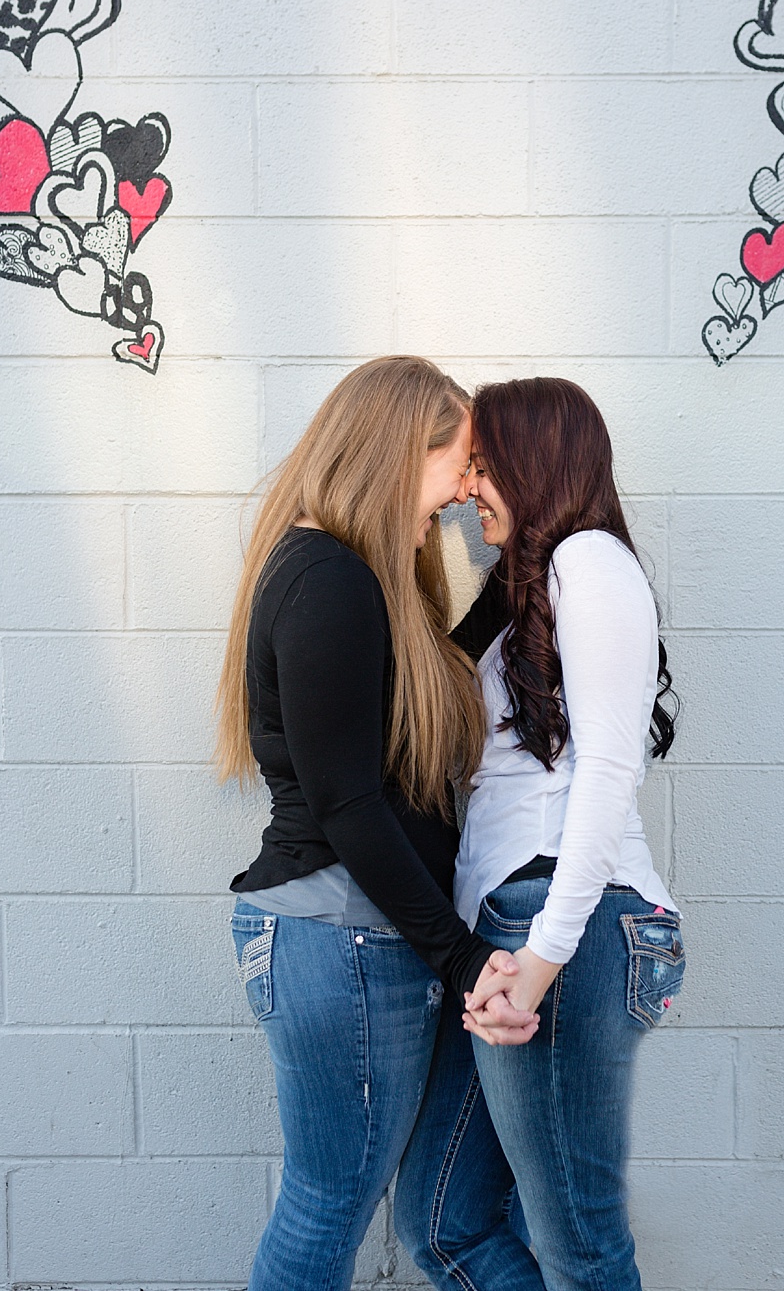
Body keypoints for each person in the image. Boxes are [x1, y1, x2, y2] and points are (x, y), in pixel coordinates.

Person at [216, 355, 535, 1291]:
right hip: (343, 935)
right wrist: (465, 958)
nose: (470, 486)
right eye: (464, 462)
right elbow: (348, 804)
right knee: (329, 1202)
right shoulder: (328, 581)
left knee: (362, 1203)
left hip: (357, 935)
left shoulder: (351, 577)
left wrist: (526, 567)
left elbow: (427, 681)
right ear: (404, 451)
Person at [394, 376, 684, 1291]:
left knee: (581, 1246)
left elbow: (604, 773)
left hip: (566, 927)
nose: (468, 488)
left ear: (532, 464)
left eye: (482, 468)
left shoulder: (590, 563)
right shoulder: (528, 585)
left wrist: (541, 963)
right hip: (509, 930)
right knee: (441, 1222)